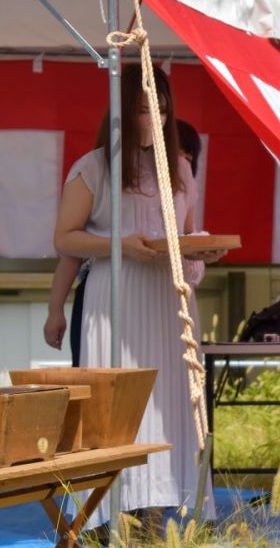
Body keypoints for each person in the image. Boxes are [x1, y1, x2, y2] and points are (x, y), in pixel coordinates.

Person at [53, 66, 224, 530]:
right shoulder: (93, 167)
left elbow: (186, 237)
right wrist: (120, 244)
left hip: (169, 301)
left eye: (162, 110)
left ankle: (163, 505)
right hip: (118, 298)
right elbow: (65, 239)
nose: (154, 119)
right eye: (145, 110)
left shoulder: (181, 167)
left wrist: (203, 248)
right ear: (123, 112)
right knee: (120, 402)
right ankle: (110, 511)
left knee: (172, 402)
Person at [44, 119, 204, 365]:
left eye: (190, 155)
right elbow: (69, 253)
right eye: (181, 150)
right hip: (106, 293)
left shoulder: (181, 185)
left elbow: (187, 237)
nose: (183, 158)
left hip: (163, 297)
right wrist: (55, 311)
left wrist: (201, 250)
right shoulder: (99, 172)